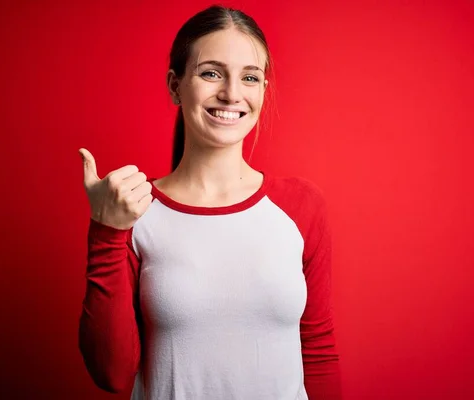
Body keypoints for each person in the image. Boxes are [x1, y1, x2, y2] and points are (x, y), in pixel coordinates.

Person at [78, 5, 342, 400]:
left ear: (263, 90)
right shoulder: (132, 210)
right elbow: (112, 374)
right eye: (211, 73)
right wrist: (106, 232)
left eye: (249, 78)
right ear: (175, 85)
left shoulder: (302, 207)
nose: (232, 93)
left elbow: (318, 352)